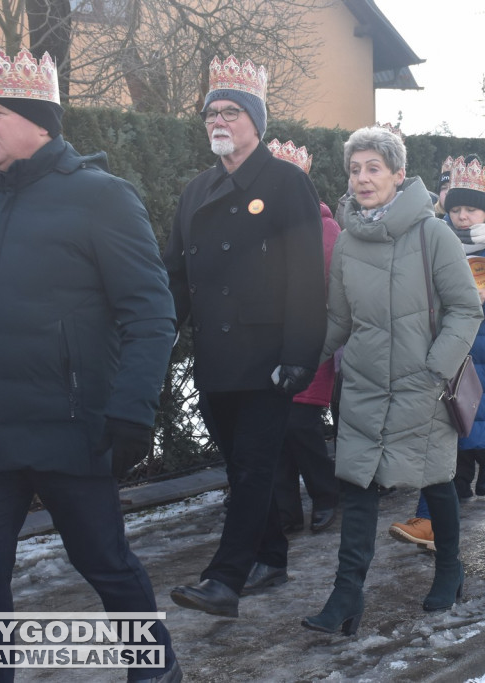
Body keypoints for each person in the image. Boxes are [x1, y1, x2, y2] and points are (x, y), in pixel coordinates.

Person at [0, 48, 180, 682]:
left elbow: (151, 314)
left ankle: (153, 668)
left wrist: (133, 411)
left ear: (39, 121)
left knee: (103, 560)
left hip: (70, 428)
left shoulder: (102, 199)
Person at [301, 127, 483, 636]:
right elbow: (338, 319)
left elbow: (466, 310)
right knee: (356, 487)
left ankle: (450, 568)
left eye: (373, 168)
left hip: (421, 383)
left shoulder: (434, 234)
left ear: (399, 176)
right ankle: (346, 596)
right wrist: (301, 362)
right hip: (360, 386)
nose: (362, 178)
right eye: (355, 169)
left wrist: (434, 370)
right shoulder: (348, 241)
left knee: (437, 480)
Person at [165, 56, 327, 618]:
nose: (219, 120)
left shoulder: (287, 183)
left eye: (231, 111)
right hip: (215, 360)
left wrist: (300, 357)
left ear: (256, 122)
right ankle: (272, 558)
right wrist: (159, 339)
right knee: (242, 466)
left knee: (254, 467)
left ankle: (225, 578)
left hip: (267, 360)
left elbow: (309, 277)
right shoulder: (195, 191)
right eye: (211, 112)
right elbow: (177, 279)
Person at [389, 155, 485, 547]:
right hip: (447, 355)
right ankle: (428, 519)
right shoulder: (431, 243)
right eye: (455, 208)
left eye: (470, 209)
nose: (461, 217)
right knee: (440, 441)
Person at [265, 140, 341, 535]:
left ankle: (325, 495)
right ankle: (286, 510)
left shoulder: (325, 226)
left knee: (300, 424)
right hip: (264, 344)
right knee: (273, 432)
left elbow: (328, 286)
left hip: (310, 339)